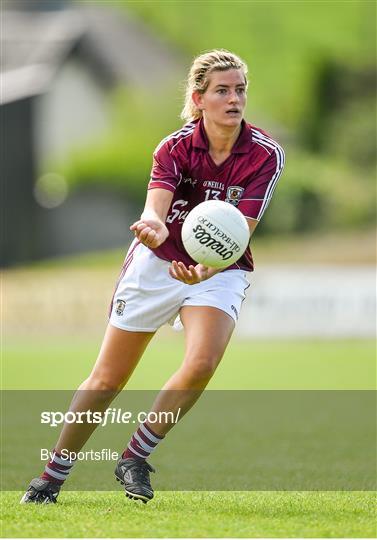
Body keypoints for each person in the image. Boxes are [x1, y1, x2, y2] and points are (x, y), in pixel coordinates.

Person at [21, 49, 285, 504]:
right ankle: (50, 478)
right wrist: (154, 225)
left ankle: (135, 457)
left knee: (202, 363)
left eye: (240, 89)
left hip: (219, 268)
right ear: (199, 98)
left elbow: (241, 230)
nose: (234, 99)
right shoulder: (174, 147)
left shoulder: (265, 154)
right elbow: (154, 207)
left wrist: (207, 268)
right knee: (106, 381)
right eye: (222, 91)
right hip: (157, 261)